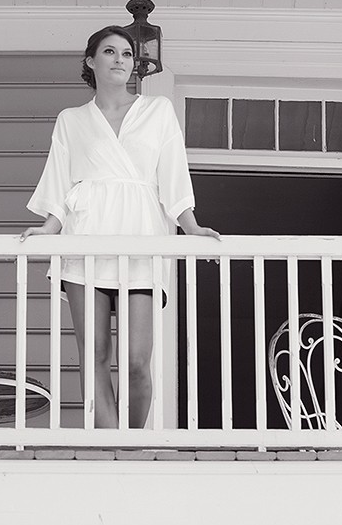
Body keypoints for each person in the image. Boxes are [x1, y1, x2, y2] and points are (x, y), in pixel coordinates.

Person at [21, 26, 219, 429]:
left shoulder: (157, 110)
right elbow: (61, 182)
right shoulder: (72, 120)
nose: (120, 60)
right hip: (86, 243)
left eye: (127, 54)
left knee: (135, 363)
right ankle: (109, 444)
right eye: (110, 52)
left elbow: (173, 174)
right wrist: (49, 227)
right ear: (91, 61)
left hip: (142, 243)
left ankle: (130, 439)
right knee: (93, 355)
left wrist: (191, 226)